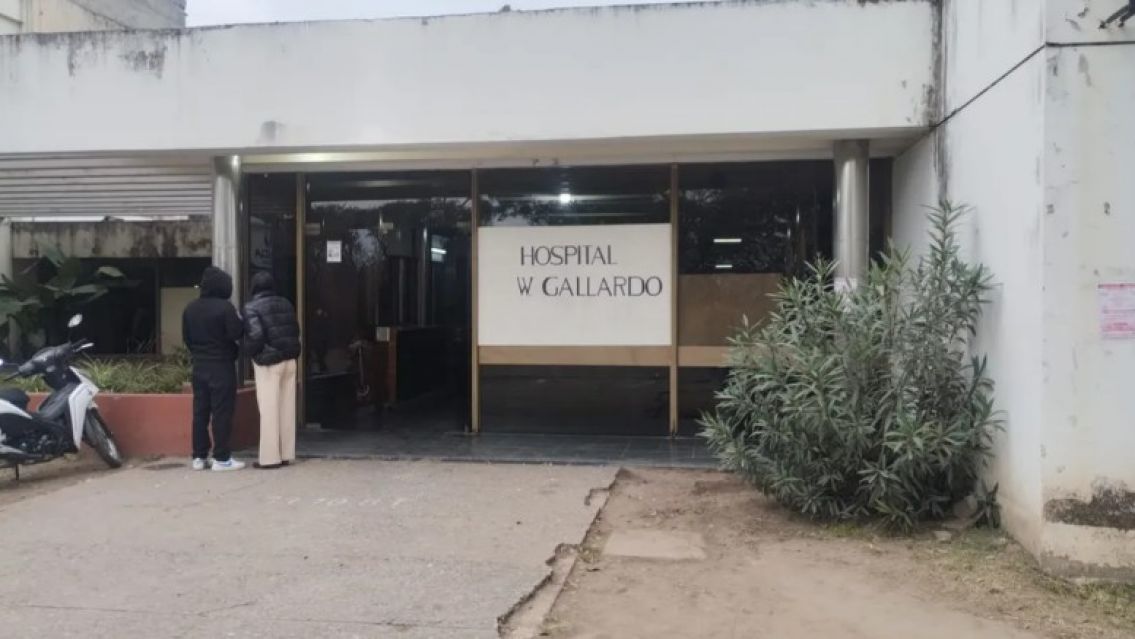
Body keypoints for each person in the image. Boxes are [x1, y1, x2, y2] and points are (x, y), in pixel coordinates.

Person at [182, 266, 245, 471]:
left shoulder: (190, 308)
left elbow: (187, 339)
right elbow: (237, 332)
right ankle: (222, 457)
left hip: (199, 366)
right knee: (222, 413)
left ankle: (199, 456)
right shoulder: (225, 308)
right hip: (222, 366)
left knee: (200, 412)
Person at [243, 272, 301, 469]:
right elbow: (295, 330)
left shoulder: (251, 307)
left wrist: (254, 354)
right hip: (290, 360)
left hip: (269, 363)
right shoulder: (286, 303)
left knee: (269, 410)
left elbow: (256, 338)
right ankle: (286, 454)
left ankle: (269, 459)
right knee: (287, 409)